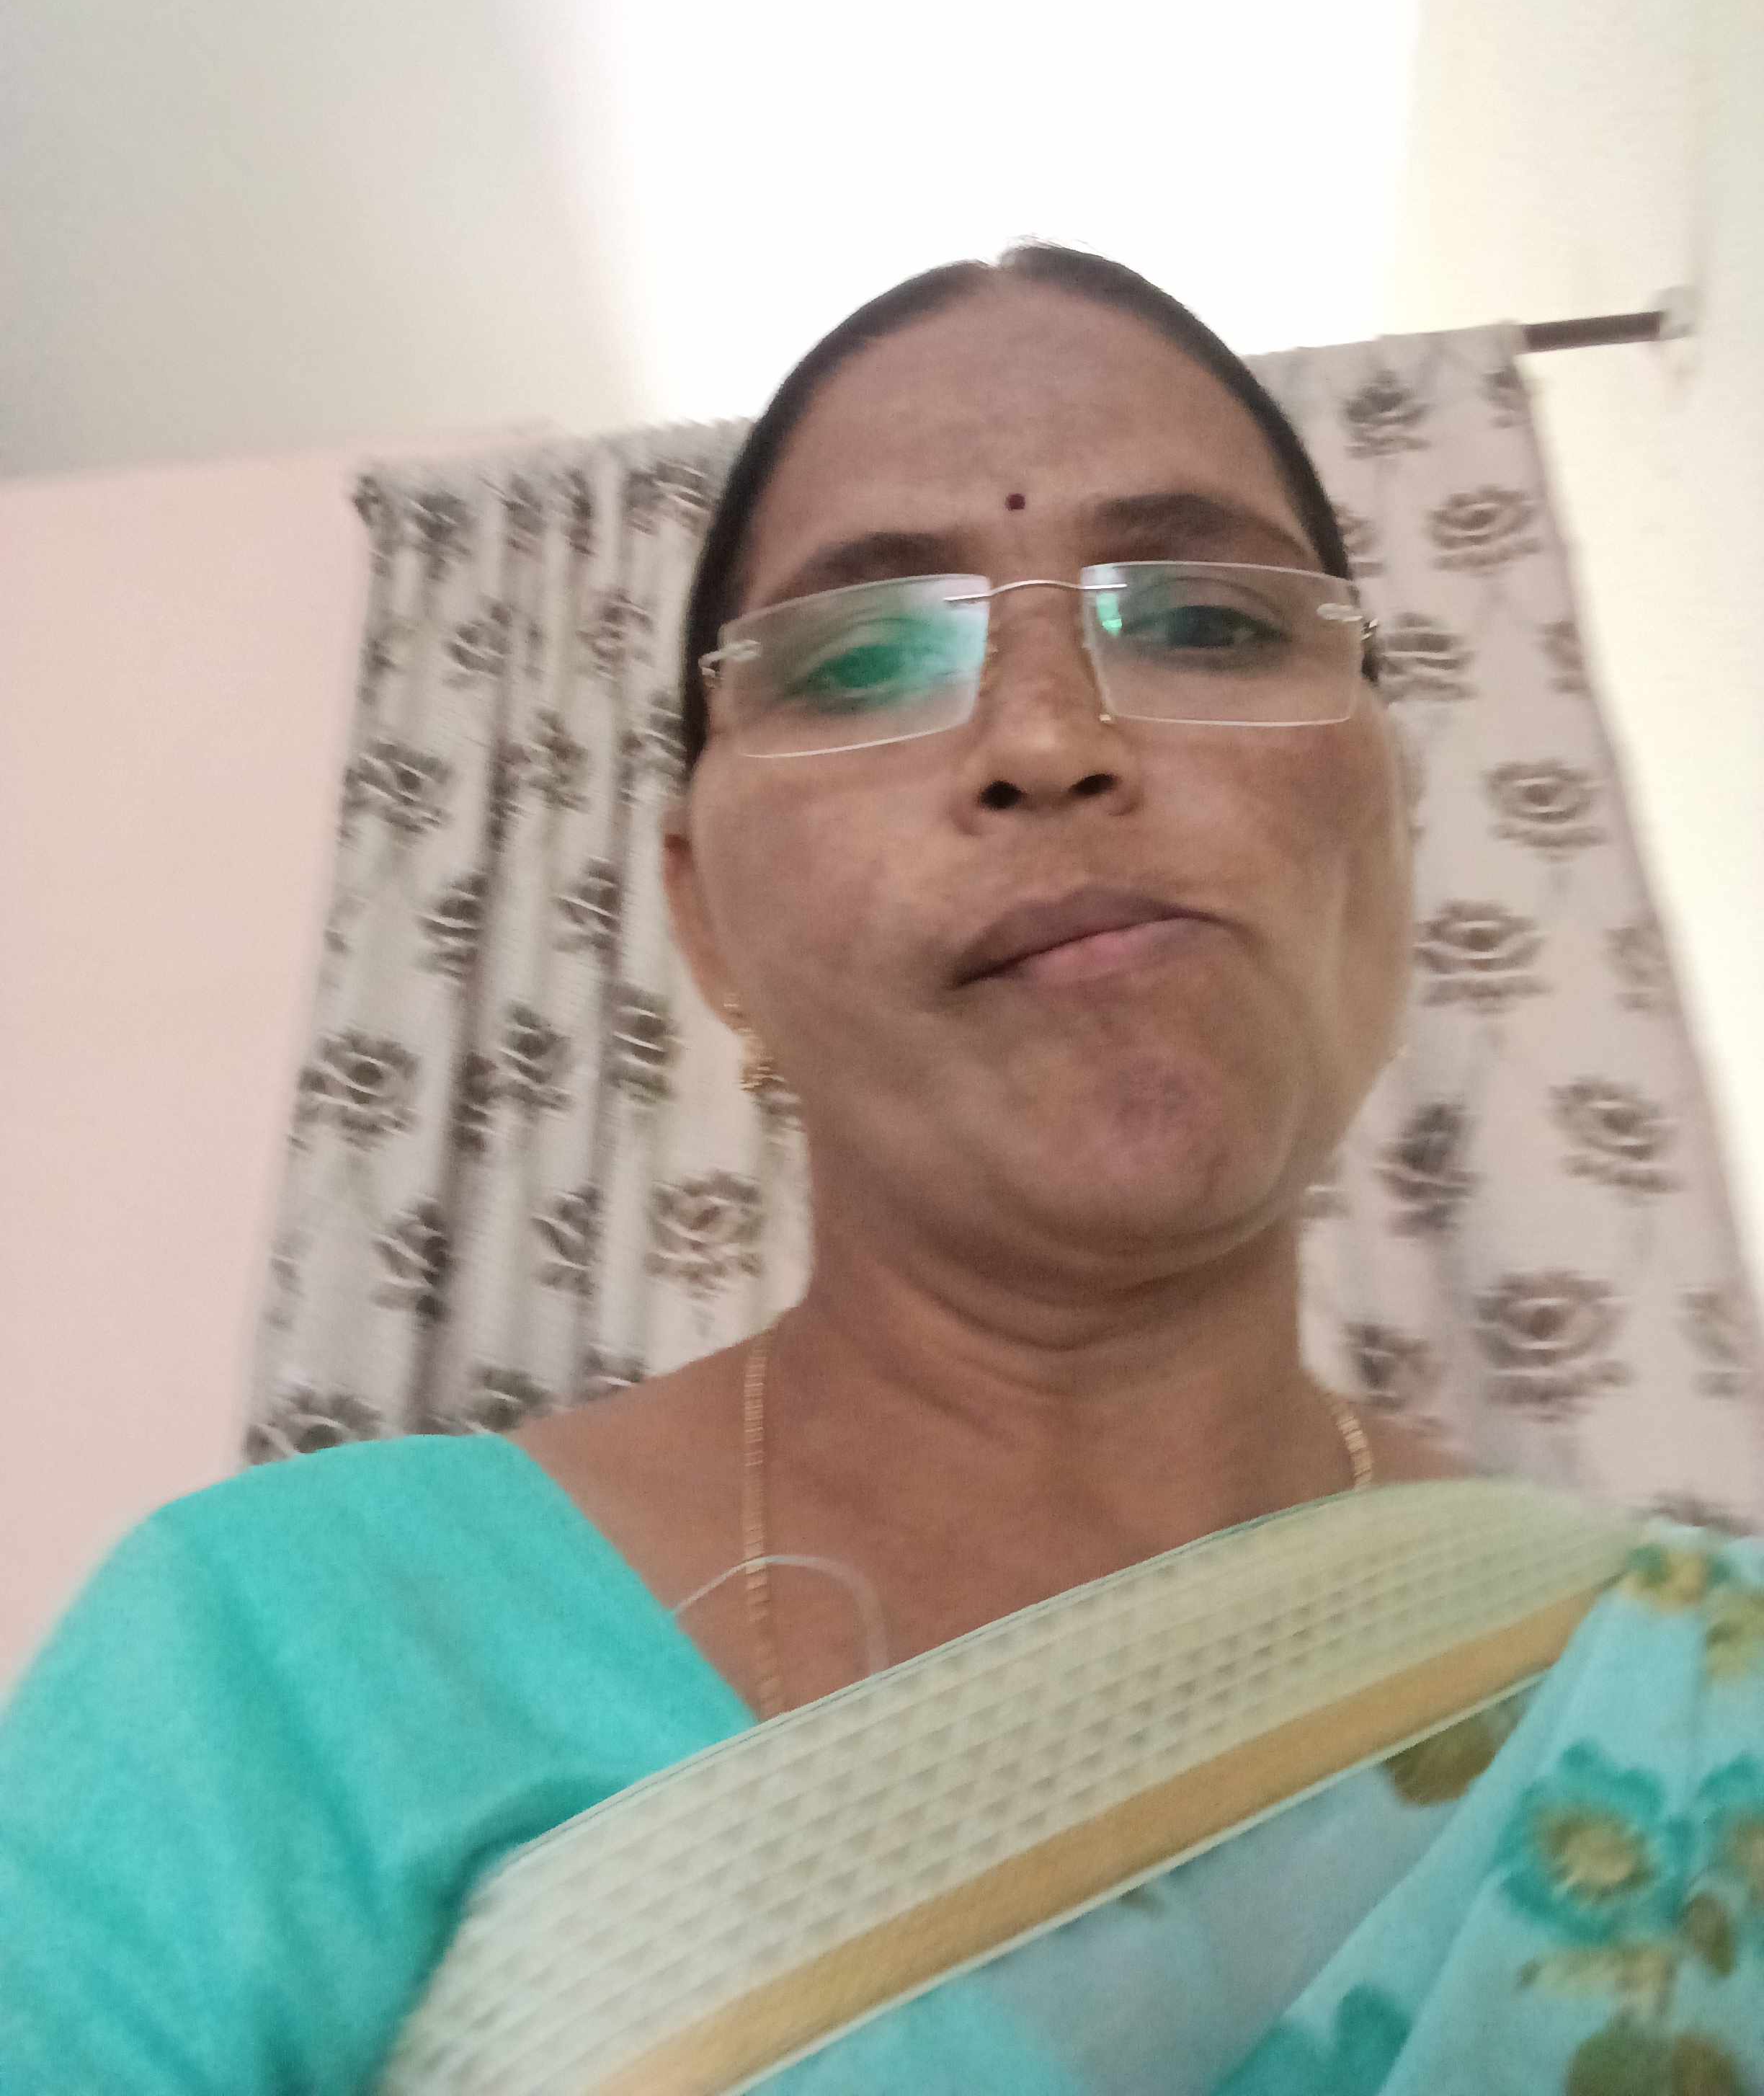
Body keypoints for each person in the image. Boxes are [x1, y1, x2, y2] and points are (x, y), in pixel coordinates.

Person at [3, 246, 1760, 2095]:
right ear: (705, 918)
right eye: (861, 658)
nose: (1049, 740)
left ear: (1390, 832)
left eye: (1204, 622)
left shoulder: (1692, 1701)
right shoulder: (292, 1663)